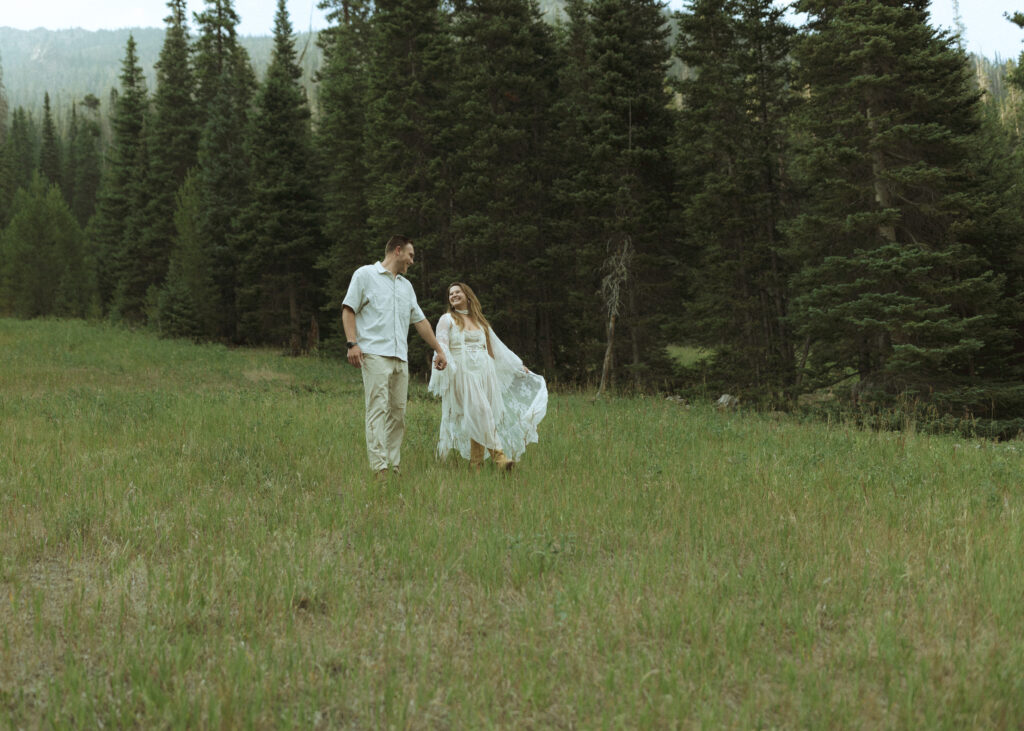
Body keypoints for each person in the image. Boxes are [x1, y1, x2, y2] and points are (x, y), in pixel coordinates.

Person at [342, 235, 448, 477]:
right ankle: (379, 468)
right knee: (377, 409)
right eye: (410, 255)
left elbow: (420, 321)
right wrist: (352, 343)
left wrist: (439, 349)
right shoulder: (365, 275)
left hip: (400, 357)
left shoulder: (406, 286)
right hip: (374, 354)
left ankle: (393, 465)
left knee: (398, 413)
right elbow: (348, 309)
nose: (412, 261)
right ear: (397, 251)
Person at [428, 282, 547, 470]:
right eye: (451, 294)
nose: (453, 295)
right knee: (481, 411)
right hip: (463, 373)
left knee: (481, 414)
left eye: (458, 292)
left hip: (484, 372)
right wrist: (442, 362)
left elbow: (495, 350)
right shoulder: (447, 319)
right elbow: (441, 344)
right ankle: (499, 458)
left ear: (467, 296)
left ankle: (476, 465)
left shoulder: (480, 321)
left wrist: (516, 366)